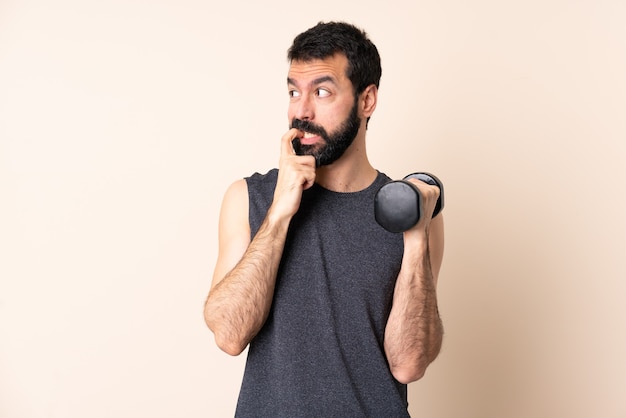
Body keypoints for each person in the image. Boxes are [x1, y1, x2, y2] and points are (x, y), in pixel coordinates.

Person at [204, 21, 444, 417]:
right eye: (294, 92)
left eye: (321, 91)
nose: (301, 110)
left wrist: (416, 238)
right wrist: (280, 212)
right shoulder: (249, 198)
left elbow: (409, 362)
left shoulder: (412, 211)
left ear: (367, 100)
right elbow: (229, 335)